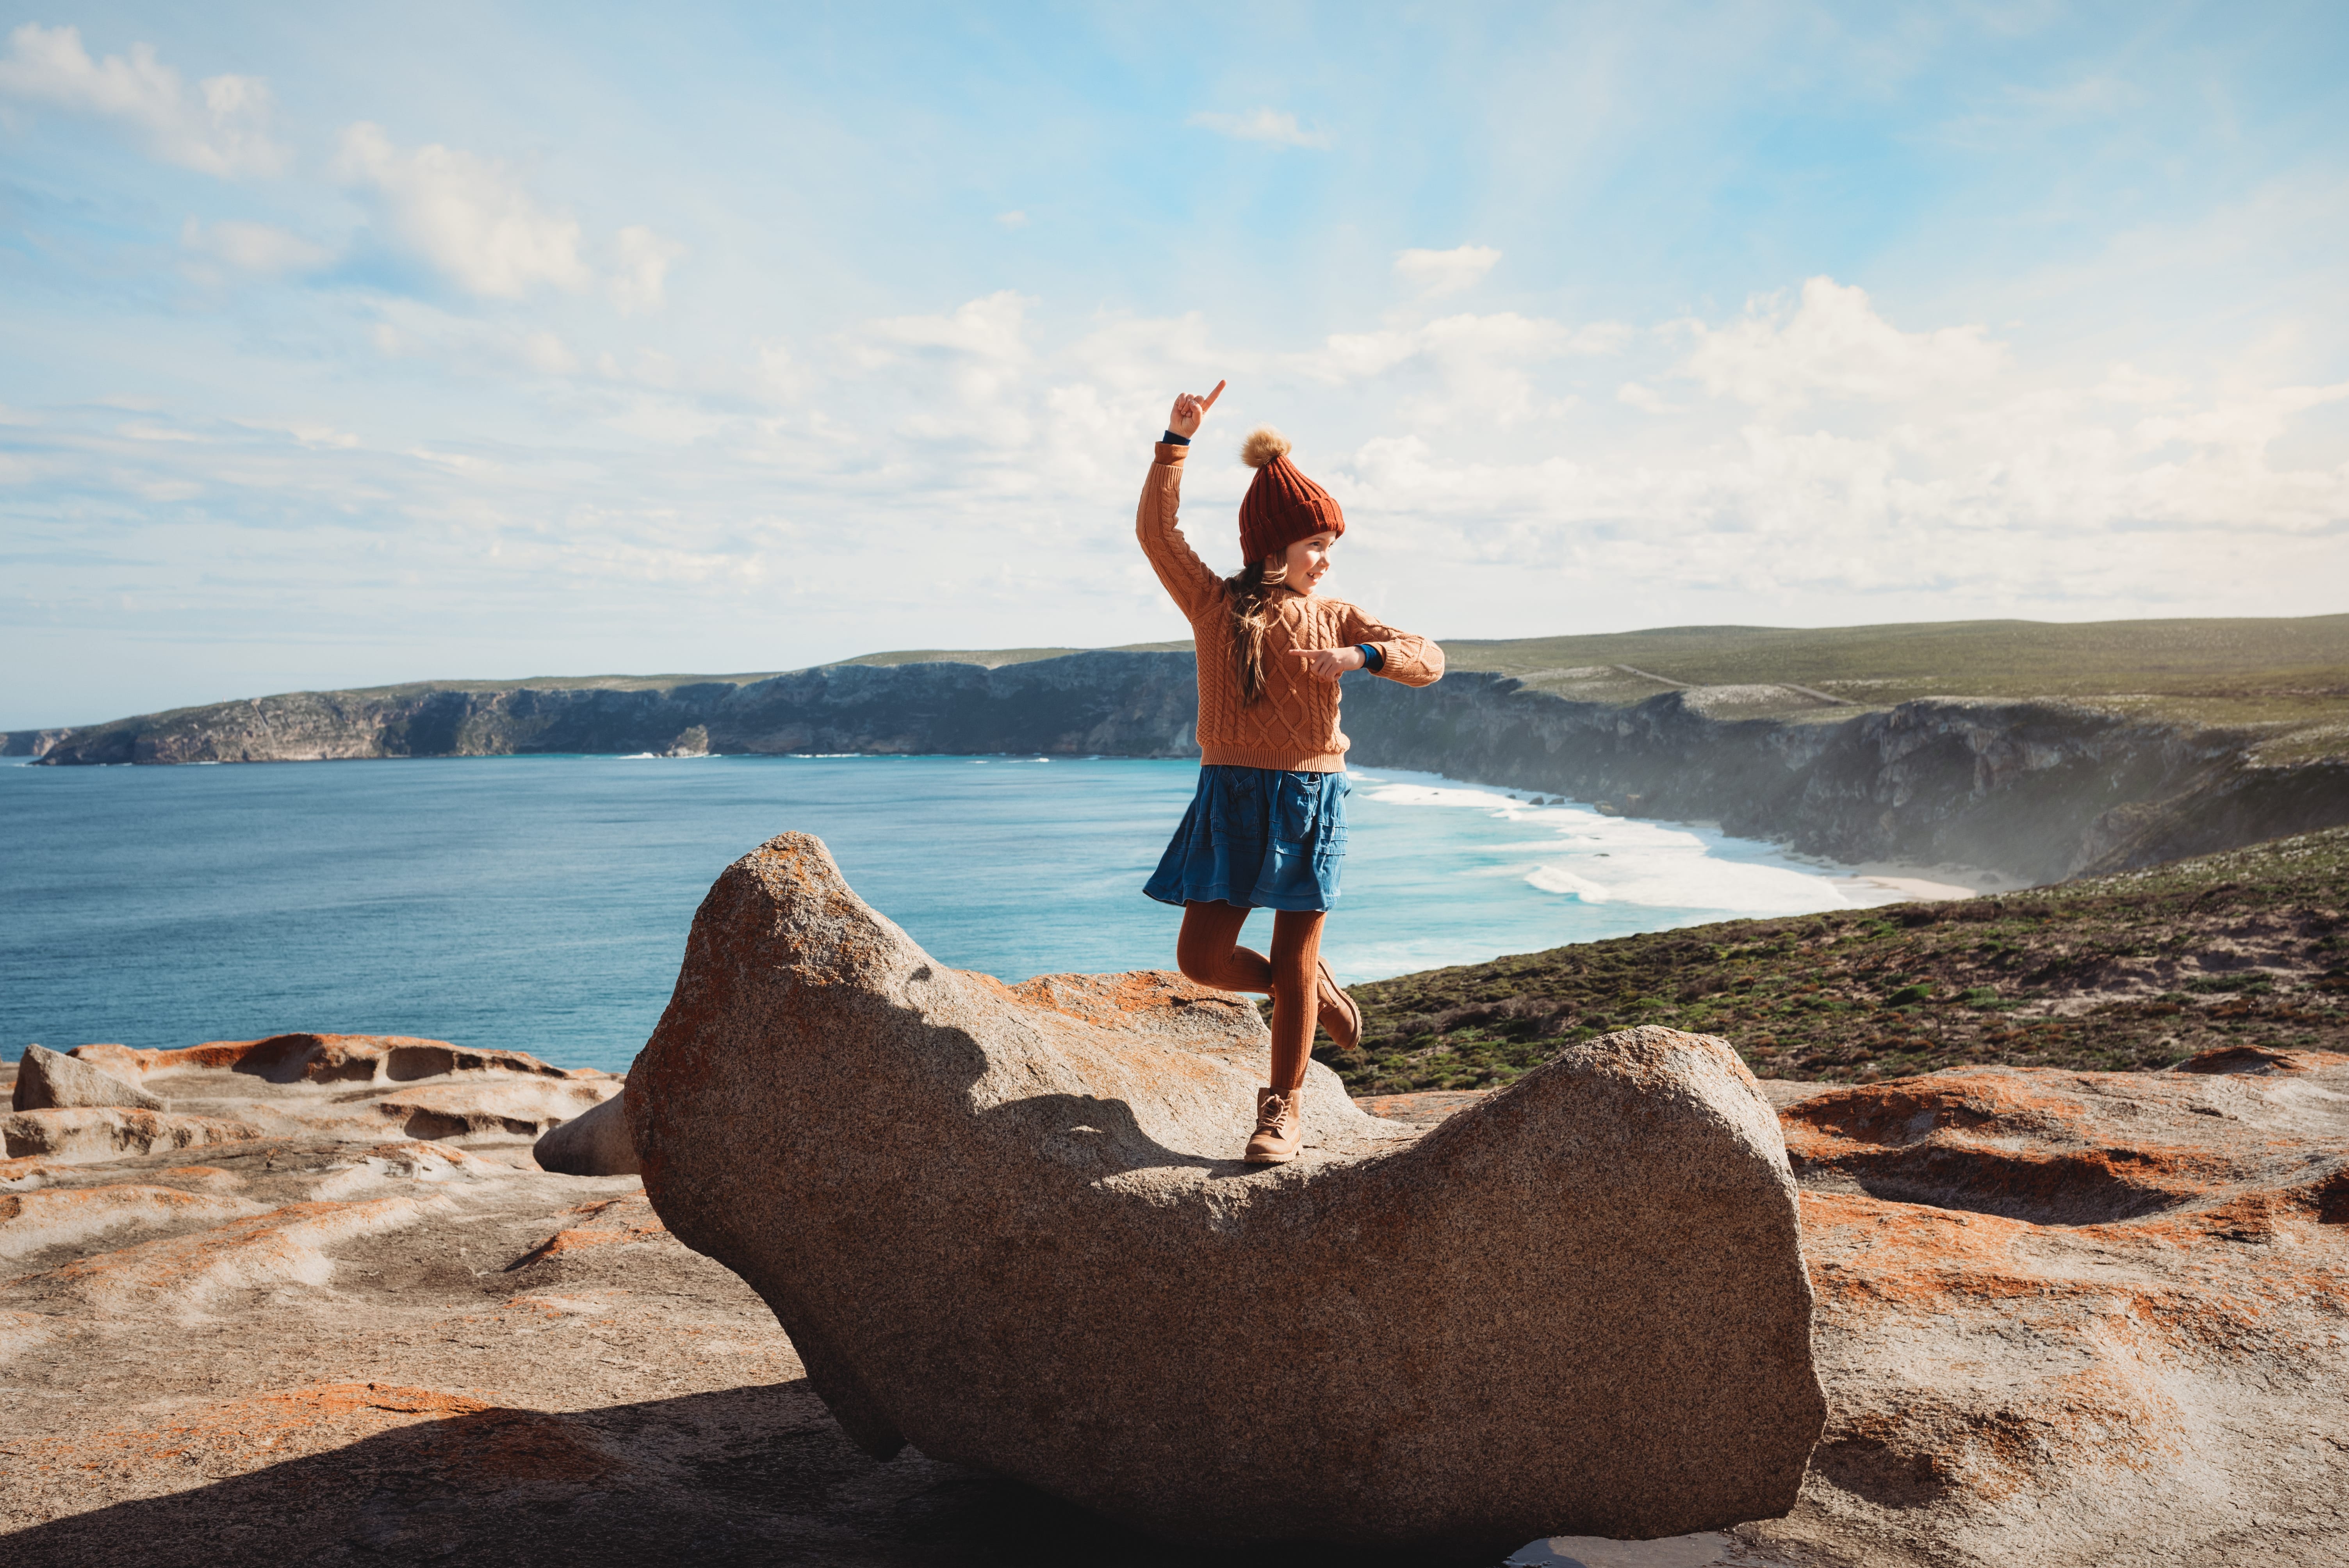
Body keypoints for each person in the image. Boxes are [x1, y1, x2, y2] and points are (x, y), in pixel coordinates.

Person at [1136, 380, 1445, 1164]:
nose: (1326, 558)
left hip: (1309, 796)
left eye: (1329, 545)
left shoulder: (1338, 615)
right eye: (1316, 544)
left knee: (1297, 955)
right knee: (1200, 960)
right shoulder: (1214, 604)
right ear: (1273, 547)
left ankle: (1282, 1109)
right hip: (1229, 796)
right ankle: (1300, 988)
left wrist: (1361, 657)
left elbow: (1429, 659)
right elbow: (1157, 533)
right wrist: (1175, 444)